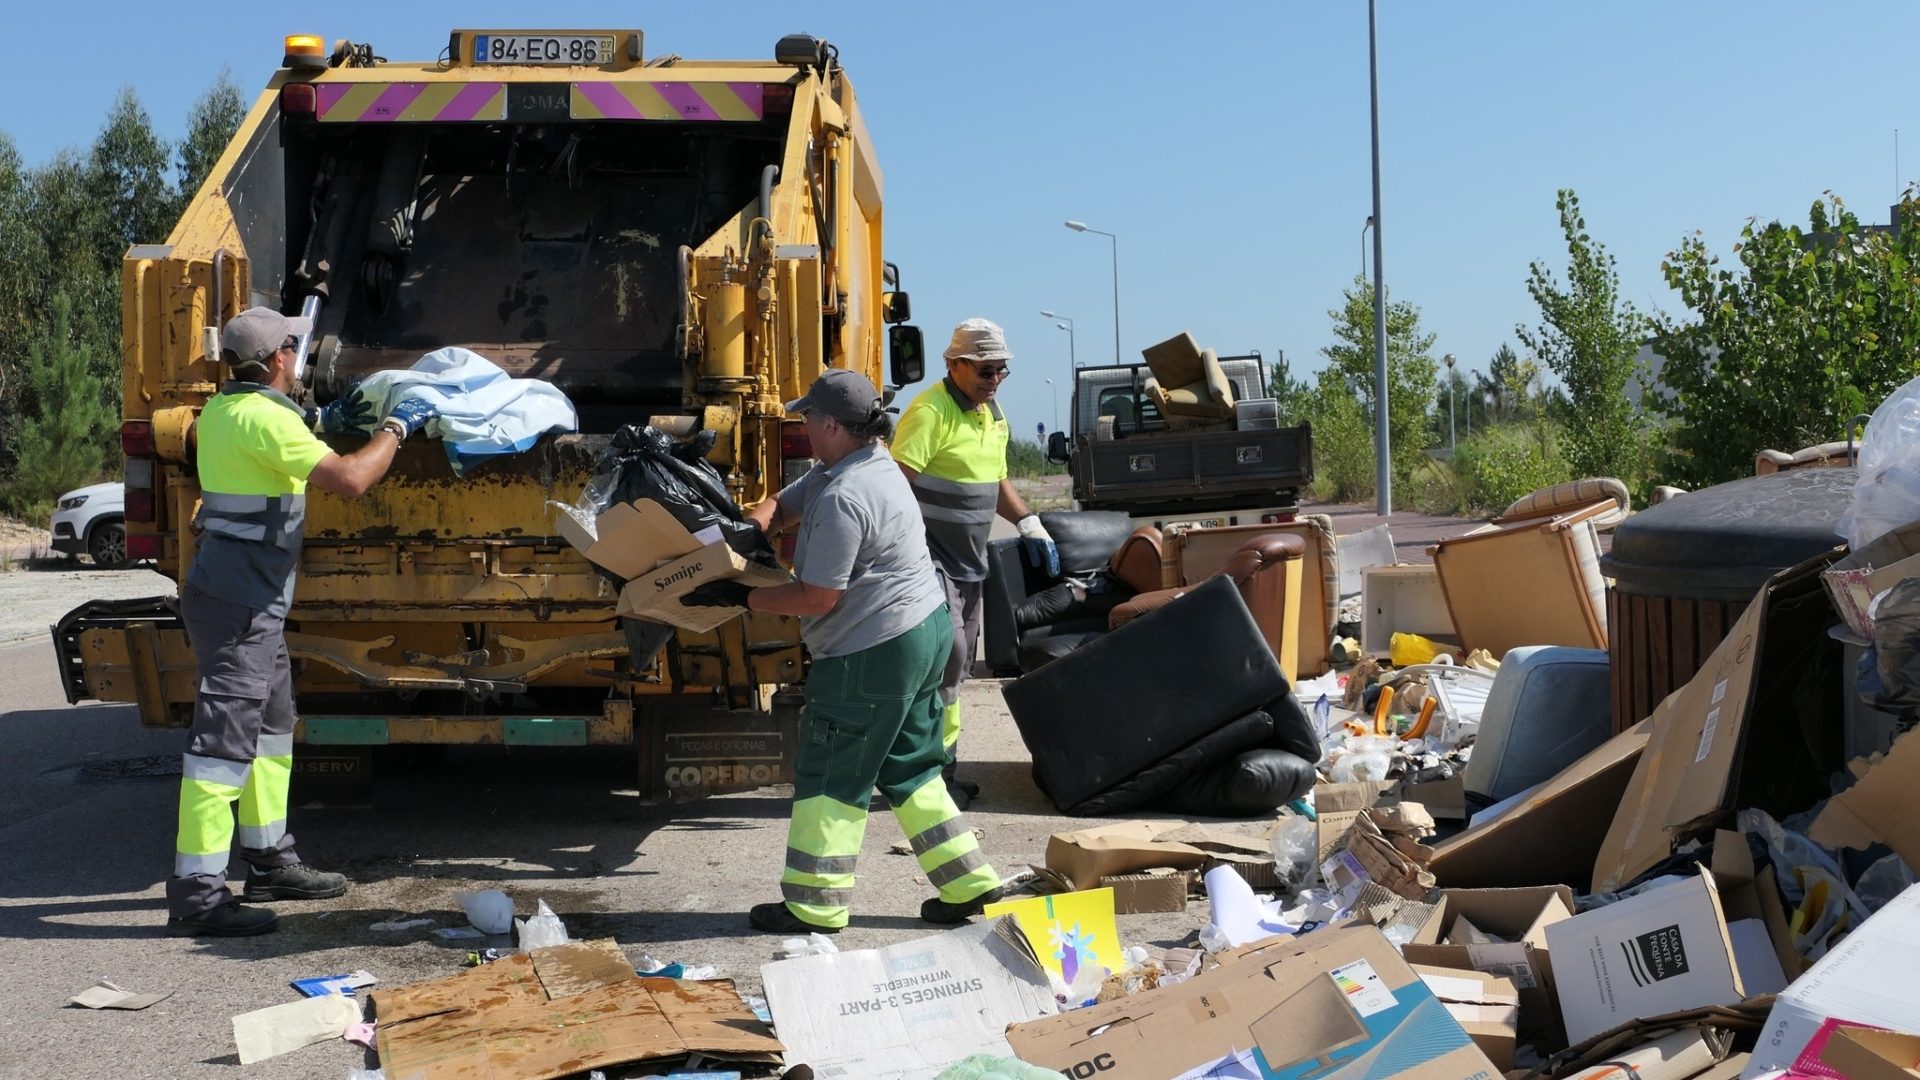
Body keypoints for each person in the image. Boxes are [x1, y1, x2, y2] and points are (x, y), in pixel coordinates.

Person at [681, 368, 1003, 933]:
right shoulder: (865, 464)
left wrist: (740, 595)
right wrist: (744, 532)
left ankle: (815, 904)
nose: (803, 426)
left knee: (832, 772)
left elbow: (817, 597)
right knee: (913, 770)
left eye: (808, 418)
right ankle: (972, 885)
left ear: (831, 425)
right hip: (924, 632)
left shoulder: (846, 497)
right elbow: (782, 503)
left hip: (872, 650)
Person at [166, 306, 438, 937]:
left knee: (271, 729)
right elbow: (350, 479)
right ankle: (198, 896)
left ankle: (268, 861)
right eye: (294, 346)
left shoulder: (224, 411)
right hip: (238, 609)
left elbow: (277, 434)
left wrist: (324, 419)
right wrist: (396, 427)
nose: (299, 354)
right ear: (281, 359)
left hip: (243, 600)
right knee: (221, 750)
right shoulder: (264, 420)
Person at [890, 318, 1059, 809]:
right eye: (985, 370)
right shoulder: (931, 412)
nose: (994, 380)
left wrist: (1028, 521)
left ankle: (944, 770)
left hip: (969, 565)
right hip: (929, 560)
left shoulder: (992, 414)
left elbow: (996, 479)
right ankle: (924, 775)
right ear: (954, 364)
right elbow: (896, 487)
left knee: (954, 675)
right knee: (950, 657)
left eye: (1002, 371)